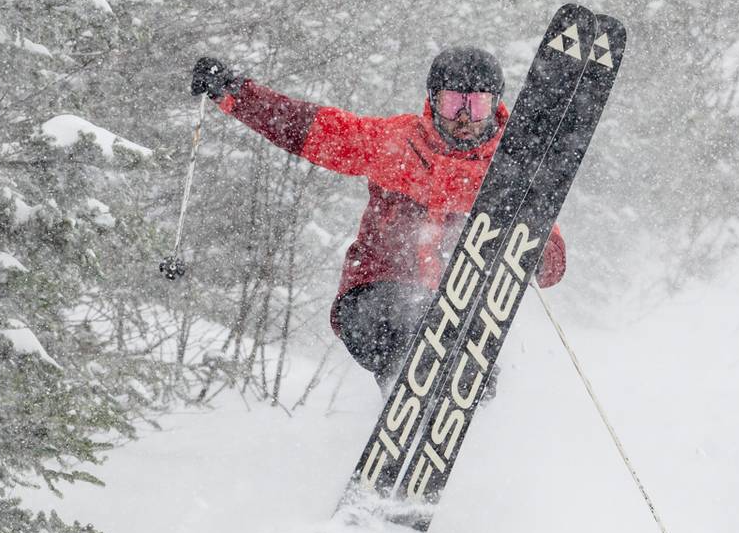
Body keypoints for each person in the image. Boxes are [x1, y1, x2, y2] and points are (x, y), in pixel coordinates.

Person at [188, 48, 566, 392]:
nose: (465, 118)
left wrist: (531, 254)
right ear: (433, 102)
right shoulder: (397, 144)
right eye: (453, 104)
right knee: (407, 316)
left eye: (477, 105)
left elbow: (551, 257)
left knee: (466, 361)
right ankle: (412, 384)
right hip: (374, 294)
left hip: (457, 309)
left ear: (495, 105)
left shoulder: (508, 168)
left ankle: (439, 420)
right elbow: (309, 128)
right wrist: (235, 92)